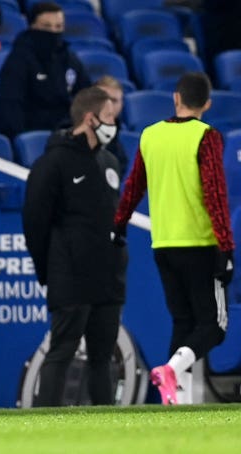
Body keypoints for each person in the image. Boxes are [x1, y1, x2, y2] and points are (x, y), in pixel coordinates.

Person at [113, 72, 235, 405]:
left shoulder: (150, 135)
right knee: (213, 326)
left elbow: (134, 183)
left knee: (183, 321)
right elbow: (215, 192)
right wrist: (226, 246)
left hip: (163, 244)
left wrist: (120, 221)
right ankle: (170, 371)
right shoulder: (206, 136)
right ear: (207, 104)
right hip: (200, 244)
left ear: (176, 99)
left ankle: (174, 400)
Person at [22, 86, 126, 407]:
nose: (114, 124)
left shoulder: (110, 161)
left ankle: (107, 430)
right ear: (90, 118)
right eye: (109, 117)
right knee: (62, 352)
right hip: (70, 274)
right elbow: (34, 223)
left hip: (107, 277)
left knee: (103, 357)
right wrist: (49, 270)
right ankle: (43, 427)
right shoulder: (52, 163)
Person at [0, 1, 91, 139]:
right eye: (46, 26)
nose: (53, 32)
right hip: (34, 135)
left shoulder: (69, 59)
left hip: (68, 135)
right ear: (32, 26)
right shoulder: (18, 60)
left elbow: (86, 95)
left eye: (58, 27)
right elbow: (11, 107)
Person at [95, 75, 129, 178]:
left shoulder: (114, 136)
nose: (109, 105)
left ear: (121, 104)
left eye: (114, 101)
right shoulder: (71, 130)